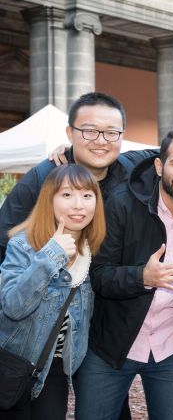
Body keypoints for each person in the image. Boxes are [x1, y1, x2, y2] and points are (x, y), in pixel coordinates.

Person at [75, 127, 173, 419]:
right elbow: (97, 274)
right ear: (160, 166)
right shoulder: (121, 204)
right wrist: (141, 277)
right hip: (111, 344)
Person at [0, 164, 105, 420]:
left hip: (55, 371)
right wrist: (51, 256)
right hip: (13, 365)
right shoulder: (23, 245)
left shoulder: (95, 251)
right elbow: (13, 307)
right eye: (67, 195)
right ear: (50, 199)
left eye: (87, 195)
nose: (79, 205)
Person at [0, 92, 152, 265]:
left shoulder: (131, 168)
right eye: (89, 131)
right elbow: (5, 237)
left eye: (111, 132)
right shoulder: (43, 177)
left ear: (122, 134)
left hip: (111, 283)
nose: (101, 141)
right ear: (70, 133)